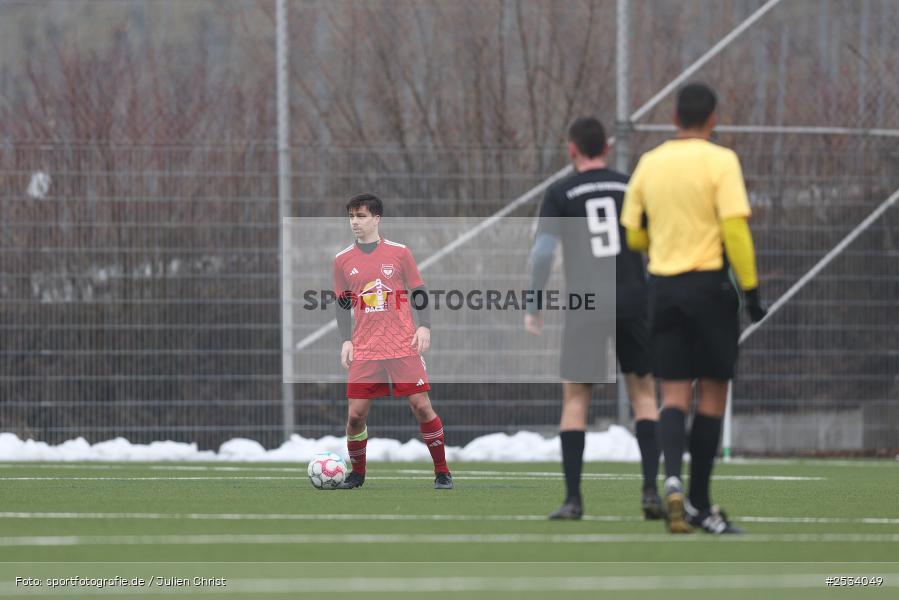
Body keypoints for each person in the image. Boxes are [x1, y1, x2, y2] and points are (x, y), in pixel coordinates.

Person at [621, 83, 766, 534]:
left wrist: (660, 240)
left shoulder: (649, 162)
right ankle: (701, 502)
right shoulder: (721, 161)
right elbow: (734, 229)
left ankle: (671, 481)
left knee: (673, 395)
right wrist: (752, 289)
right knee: (713, 395)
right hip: (709, 287)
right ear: (713, 119)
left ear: (674, 117)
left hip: (663, 288)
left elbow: (634, 235)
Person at [525, 117, 661, 521]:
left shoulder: (561, 192)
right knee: (643, 396)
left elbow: (544, 253)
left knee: (576, 399)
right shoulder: (630, 185)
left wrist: (534, 303)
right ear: (606, 147)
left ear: (572, 150)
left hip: (586, 303)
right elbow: (654, 241)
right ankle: (651, 492)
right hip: (634, 300)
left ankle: (573, 500)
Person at [332, 193, 453, 490]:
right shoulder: (342, 260)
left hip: (402, 344)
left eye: (361, 216)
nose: (355, 222)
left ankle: (442, 472)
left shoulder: (399, 253)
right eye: (351, 216)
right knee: (355, 415)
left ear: (376, 219)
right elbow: (341, 303)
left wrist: (424, 327)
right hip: (365, 347)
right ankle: (357, 474)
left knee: (422, 407)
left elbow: (419, 291)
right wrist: (346, 341)